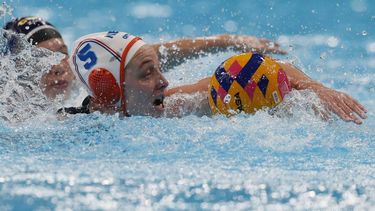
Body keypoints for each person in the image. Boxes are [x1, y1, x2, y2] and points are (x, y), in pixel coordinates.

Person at [60, 31, 367, 124]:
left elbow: (260, 68)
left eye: (157, 67)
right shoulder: (66, 125)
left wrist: (316, 88)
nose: (164, 82)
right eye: (147, 73)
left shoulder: (174, 104)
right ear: (108, 89)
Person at [3, 16, 76, 99]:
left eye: (63, 53)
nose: (60, 67)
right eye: (44, 57)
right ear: (18, 70)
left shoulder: (86, 83)